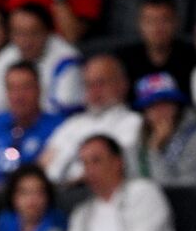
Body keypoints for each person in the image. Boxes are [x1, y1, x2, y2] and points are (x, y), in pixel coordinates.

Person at [61, 134, 176, 231]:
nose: (89, 170)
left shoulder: (143, 193)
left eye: (96, 161)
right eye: (85, 163)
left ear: (117, 162)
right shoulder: (82, 212)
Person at [0, 61, 66, 193]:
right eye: (12, 88)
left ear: (39, 89)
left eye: (25, 88)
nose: (18, 96)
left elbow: (41, 176)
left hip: (23, 201)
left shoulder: (57, 127)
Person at [39, 55, 142, 185]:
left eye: (100, 83)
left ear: (122, 85)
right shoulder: (71, 124)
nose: (94, 91)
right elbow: (43, 163)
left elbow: (109, 168)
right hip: (56, 193)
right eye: (88, 84)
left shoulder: (134, 123)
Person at [0, 3, 82, 119]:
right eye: (19, 33)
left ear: (48, 32)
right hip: (11, 128)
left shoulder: (67, 59)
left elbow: (64, 112)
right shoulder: (2, 60)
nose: (26, 41)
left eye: (33, 33)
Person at [133, 73, 196, 189]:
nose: (160, 111)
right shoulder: (140, 140)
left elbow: (182, 193)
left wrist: (154, 152)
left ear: (176, 106)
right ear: (145, 112)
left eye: (165, 103)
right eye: (152, 106)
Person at [116, 0, 196, 103]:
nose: (157, 27)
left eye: (164, 20)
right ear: (140, 24)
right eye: (150, 21)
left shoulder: (193, 55)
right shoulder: (123, 58)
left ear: (176, 22)